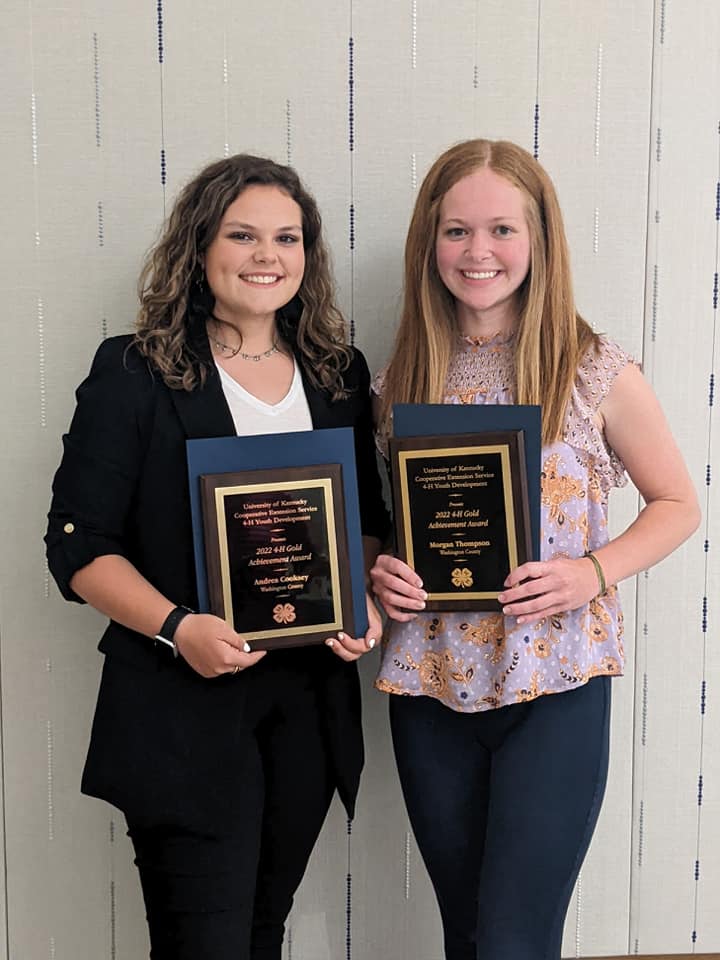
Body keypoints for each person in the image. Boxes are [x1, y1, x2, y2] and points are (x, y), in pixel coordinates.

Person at [45, 154, 388, 960]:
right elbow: (77, 545)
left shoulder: (338, 374)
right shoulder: (134, 371)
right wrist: (177, 626)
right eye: (242, 235)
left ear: (308, 256)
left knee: (262, 933)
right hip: (181, 711)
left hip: (307, 706)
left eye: (287, 237)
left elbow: (364, 523)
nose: (267, 255)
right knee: (204, 945)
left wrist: (359, 605)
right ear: (200, 248)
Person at [370, 138, 700, 960]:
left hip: (555, 683)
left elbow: (679, 504)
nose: (478, 252)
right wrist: (381, 574)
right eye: (455, 231)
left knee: (516, 941)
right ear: (428, 243)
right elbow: (385, 528)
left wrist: (590, 572)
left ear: (540, 240)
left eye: (501, 230)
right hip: (429, 688)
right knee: (468, 935)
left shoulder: (593, 370)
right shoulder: (396, 380)